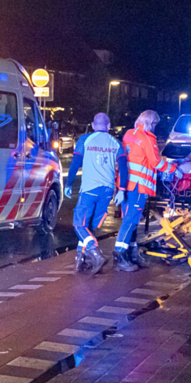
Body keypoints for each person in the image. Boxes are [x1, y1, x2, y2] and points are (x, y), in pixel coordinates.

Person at [115, 110, 178, 271]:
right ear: (151, 122)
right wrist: (173, 169)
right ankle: (120, 255)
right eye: (155, 123)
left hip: (126, 184)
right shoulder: (148, 138)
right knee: (130, 221)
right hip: (139, 186)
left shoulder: (129, 134)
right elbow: (156, 162)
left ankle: (132, 252)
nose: (156, 127)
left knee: (131, 220)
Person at [64, 112, 122, 274]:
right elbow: (123, 166)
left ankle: (95, 254)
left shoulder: (84, 140)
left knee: (80, 224)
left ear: (93, 125)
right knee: (89, 227)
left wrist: (68, 183)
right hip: (107, 191)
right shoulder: (115, 142)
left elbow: (76, 162)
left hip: (89, 190)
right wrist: (122, 189)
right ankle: (80, 261)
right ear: (108, 126)